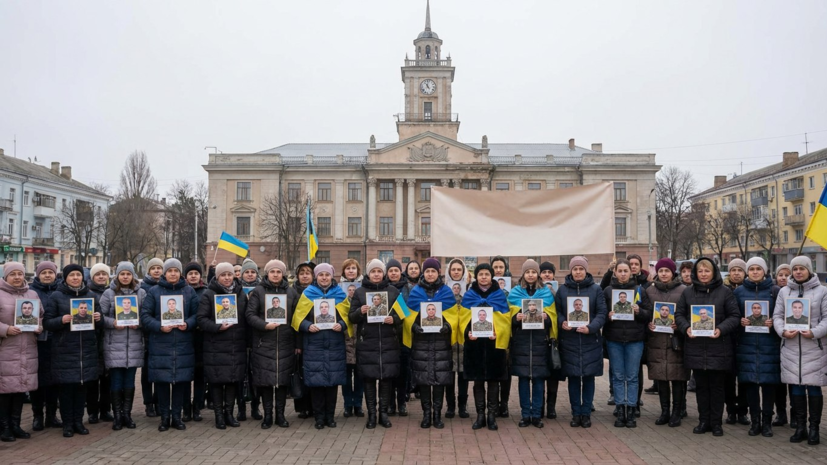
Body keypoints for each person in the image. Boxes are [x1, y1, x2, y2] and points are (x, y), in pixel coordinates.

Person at [675, 257, 740, 437]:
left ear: (714, 272)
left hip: (718, 347)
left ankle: (716, 423)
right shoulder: (688, 292)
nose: (703, 274)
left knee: (717, 388)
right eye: (700, 271)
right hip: (695, 347)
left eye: (707, 271)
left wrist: (721, 329)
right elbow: (679, 314)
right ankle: (703, 421)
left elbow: (734, 316)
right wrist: (686, 328)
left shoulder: (725, 292)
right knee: (701, 388)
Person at [43, 263, 102, 438]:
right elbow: (47, 322)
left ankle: (78, 422)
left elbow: (99, 323)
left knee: (82, 389)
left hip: (86, 350)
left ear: (83, 277)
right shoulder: (56, 296)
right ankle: (67, 424)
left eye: (78, 275)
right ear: (65, 277)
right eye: (71, 275)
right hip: (65, 350)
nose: (75, 278)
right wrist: (61, 320)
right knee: (66, 390)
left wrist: (98, 318)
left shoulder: (90, 296)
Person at [773, 255, 827, 445]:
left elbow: (826, 318)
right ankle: (800, 427)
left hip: (814, 347)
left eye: (801, 268)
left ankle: (814, 429)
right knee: (795, 387)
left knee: (813, 388)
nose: (798, 272)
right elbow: (777, 316)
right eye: (795, 269)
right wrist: (782, 331)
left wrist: (814, 332)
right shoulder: (784, 291)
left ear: (809, 270)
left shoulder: (822, 291)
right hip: (791, 347)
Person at [139, 258, 198, 432]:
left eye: (176, 271)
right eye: (170, 271)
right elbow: (145, 316)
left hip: (183, 345)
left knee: (180, 383)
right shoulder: (154, 291)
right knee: (162, 383)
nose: (173, 274)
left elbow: (197, 314)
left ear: (180, 273)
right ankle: (165, 417)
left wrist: (188, 323)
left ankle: (177, 417)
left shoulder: (189, 291)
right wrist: (159, 326)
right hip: (160, 345)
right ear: (165, 273)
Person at [292, 263, 348, 430]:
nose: (324, 278)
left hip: (334, 344)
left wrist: (341, 325)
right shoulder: (308, 293)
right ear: (316, 277)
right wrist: (307, 326)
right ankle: (319, 417)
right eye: (321, 275)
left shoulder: (340, 293)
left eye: (327, 274)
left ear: (332, 276)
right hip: (314, 344)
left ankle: (330, 417)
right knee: (316, 383)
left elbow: (348, 316)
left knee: (332, 383)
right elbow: (298, 318)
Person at [349, 259, 402, 429]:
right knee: (369, 380)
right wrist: (360, 311)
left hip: (388, 342)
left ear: (383, 273)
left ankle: (383, 414)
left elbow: (403, 313)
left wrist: (393, 319)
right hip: (367, 343)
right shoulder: (360, 292)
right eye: (373, 271)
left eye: (379, 271)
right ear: (368, 274)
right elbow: (351, 317)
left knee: (386, 380)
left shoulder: (393, 291)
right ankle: (372, 414)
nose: (376, 274)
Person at [246, 259, 297, 429]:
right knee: (266, 381)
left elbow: (297, 317)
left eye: (278, 272)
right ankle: (267, 415)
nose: (275, 275)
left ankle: (280, 415)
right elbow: (250, 315)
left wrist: (296, 342)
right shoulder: (258, 292)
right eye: (272, 272)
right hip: (264, 343)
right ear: (267, 273)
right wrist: (264, 325)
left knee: (282, 382)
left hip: (285, 343)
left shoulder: (291, 292)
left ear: (283, 274)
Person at [197, 262, 248, 430]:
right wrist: (217, 327)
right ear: (217, 277)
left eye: (229, 274)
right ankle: (219, 416)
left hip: (236, 344)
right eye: (223, 275)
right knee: (217, 382)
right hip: (215, 346)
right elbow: (201, 319)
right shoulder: (208, 294)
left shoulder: (240, 294)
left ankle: (229, 414)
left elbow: (246, 318)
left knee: (233, 381)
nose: (227, 278)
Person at [733, 257, 780, 437]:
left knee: (769, 385)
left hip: (769, 346)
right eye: (751, 269)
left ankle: (767, 422)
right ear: (747, 271)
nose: (754, 272)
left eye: (758, 269)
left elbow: (782, 316)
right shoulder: (739, 292)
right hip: (747, 345)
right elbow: (732, 316)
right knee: (751, 385)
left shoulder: (775, 291)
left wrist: (773, 323)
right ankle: (755, 421)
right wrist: (740, 322)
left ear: (764, 271)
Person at [558, 256, 607, 429]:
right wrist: (562, 322)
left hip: (590, 340)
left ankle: (586, 413)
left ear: (586, 270)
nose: (578, 272)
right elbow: (558, 311)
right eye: (575, 269)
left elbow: (602, 313)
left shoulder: (596, 289)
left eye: (581, 269)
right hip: (569, 340)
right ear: (571, 271)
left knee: (588, 378)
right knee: (573, 378)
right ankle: (575, 413)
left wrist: (591, 327)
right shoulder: (563, 290)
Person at [461, 262, 510, 431]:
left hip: (493, 345)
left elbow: (505, 318)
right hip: (475, 345)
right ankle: (480, 415)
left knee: (494, 382)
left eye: (486, 274)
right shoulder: (469, 295)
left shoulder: (499, 294)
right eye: (480, 274)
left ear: (491, 276)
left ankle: (491, 415)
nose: (483, 277)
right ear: (476, 276)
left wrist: (498, 332)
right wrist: (468, 332)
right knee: (478, 382)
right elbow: (463, 318)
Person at [641, 258, 688, 428]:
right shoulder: (649, 290)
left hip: (676, 341)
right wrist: (649, 324)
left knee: (677, 378)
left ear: (672, 272)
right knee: (661, 378)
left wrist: (680, 325)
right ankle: (664, 412)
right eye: (661, 271)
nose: (663, 274)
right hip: (657, 340)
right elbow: (646, 313)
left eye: (667, 271)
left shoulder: (684, 290)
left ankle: (677, 412)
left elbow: (687, 314)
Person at [603, 259, 649, 428]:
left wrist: (639, 311)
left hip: (634, 340)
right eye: (620, 271)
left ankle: (631, 409)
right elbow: (600, 314)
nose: (623, 274)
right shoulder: (608, 291)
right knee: (618, 376)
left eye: (626, 271)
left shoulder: (639, 290)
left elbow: (649, 314)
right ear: (614, 272)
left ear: (631, 272)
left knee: (632, 376)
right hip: (614, 339)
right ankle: (620, 409)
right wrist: (608, 316)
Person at [100, 261, 146, 431]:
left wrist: (138, 323)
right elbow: (100, 317)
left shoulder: (141, 293)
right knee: (116, 382)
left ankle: (127, 414)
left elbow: (147, 315)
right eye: (122, 274)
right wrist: (113, 323)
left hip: (134, 344)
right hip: (114, 344)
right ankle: (117, 416)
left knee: (129, 382)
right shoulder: (108, 293)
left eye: (128, 274)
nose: (125, 277)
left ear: (133, 276)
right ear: (117, 275)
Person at [509, 259, 555, 428]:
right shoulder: (514, 293)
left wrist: (547, 318)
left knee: (538, 380)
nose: (530, 275)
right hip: (521, 342)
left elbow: (553, 316)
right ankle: (525, 414)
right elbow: (507, 318)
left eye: (533, 272)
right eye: (527, 272)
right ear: (523, 274)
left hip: (539, 342)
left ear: (538, 274)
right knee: (523, 380)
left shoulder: (546, 293)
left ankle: (536, 415)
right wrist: (516, 318)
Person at [0, 262, 41, 442]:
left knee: (20, 388)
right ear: (6, 276)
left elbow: (40, 316)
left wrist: (39, 327)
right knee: (4, 389)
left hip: (27, 348)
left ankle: (16, 425)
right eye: (13, 274)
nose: (17, 277)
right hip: (6, 348)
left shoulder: (32, 294)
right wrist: (5, 329)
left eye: (20, 274)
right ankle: (4, 427)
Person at [29, 261, 62, 431]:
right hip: (37, 341)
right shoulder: (30, 292)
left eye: (50, 272)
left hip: (57, 341)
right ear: (38, 275)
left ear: (55, 274)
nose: (47, 275)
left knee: (54, 380)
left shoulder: (61, 291)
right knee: (38, 380)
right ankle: (37, 416)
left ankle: (51, 415)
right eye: (44, 272)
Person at [411, 294, 453, 429]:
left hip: (440, 349)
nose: (431, 311)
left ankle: (437, 415)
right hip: (422, 348)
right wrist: (415, 327)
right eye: (428, 309)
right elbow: (410, 321)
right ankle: (426, 415)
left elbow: (454, 321)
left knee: (439, 383)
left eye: (433, 309)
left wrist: (447, 326)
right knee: (424, 383)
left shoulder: (445, 301)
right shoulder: (417, 301)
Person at [86, 263, 114, 425]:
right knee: (92, 378)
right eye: (98, 274)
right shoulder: (86, 293)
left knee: (107, 378)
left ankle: (105, 409)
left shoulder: (112, 293)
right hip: (92, 339)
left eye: (104, 274)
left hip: (109, 338)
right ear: (92, 277)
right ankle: (92, 411)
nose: (101, 276)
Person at [723, 258, 748, 425]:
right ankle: (731, 410)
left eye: (740, 270)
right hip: (727, 339)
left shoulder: (749, 289)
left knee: (744, 379)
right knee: (728, 379)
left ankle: (743, 411)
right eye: (733, 270)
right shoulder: (723, 290)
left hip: (746, 339)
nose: (737, 273)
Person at [340, 258, 365, 419]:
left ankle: (358, 404)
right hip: (345, 337)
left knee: (360, 375)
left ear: (358, 271)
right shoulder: (338, 290)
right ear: (343, 271)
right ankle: (348, 404)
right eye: (347, 268)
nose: (350, 271)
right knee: (347, 376)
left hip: (361, 337)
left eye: (353, 268)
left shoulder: (364, 289)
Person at [140, 257, 164, 419]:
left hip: (163, 333)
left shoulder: (166, 287)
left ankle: (158, 401)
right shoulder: (142, 288)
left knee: (160, 370)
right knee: (147, 371)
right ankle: (148, 403)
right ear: (149, 271)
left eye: (159, 268)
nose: (156, 270)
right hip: (147, 334)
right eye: (153, 268)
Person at [444, 258, 469, 419]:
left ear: (463, 272)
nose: (456, 272)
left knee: (464, 376)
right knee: (449, 376)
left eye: (459, 269)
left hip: (465, 341)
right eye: (453, 269)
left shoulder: (470, 291)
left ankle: (463, 406)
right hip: (449, 340)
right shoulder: (444, 291)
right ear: (449, 271)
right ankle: (450, 406)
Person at [539, 261, 564, 420]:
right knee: (541, 374)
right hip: (540, 337)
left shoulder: (559, 291)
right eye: (544, 272)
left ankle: (551, 407)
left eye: (549, 272)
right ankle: (540, 405)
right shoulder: (535, 291)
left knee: (554, 373)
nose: (547, 274)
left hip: (554, 337)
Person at [292, 261, 316, 420]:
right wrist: (297, 343)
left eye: (308, 273)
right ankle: (303, 407)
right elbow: (292, 321)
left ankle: (315, 406)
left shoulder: (317, 292)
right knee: (300, 374)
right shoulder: (292, 292)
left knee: (313, 373)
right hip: (299, 339)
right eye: (302, 273)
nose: (305, 276)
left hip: (315, 338)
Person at [184, 261, 207, 423]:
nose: (193, 276)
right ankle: (186, 408)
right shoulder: (180, 291)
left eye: (196, 273)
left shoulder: (206, 292)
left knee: (200, 376)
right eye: (190, 273)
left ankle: (197, 407)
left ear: (200, 275)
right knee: (185, 376)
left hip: (202, 339)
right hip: (185, 338)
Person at [772, 263, 793, 428]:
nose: (783, 278)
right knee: (778, 382)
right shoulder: (772, 292)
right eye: (781, 275)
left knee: (793, 382)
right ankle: (780, 412)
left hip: (792, 341)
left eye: (787, 275)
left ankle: (795, 413)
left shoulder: (796, 292)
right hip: (774, 340)